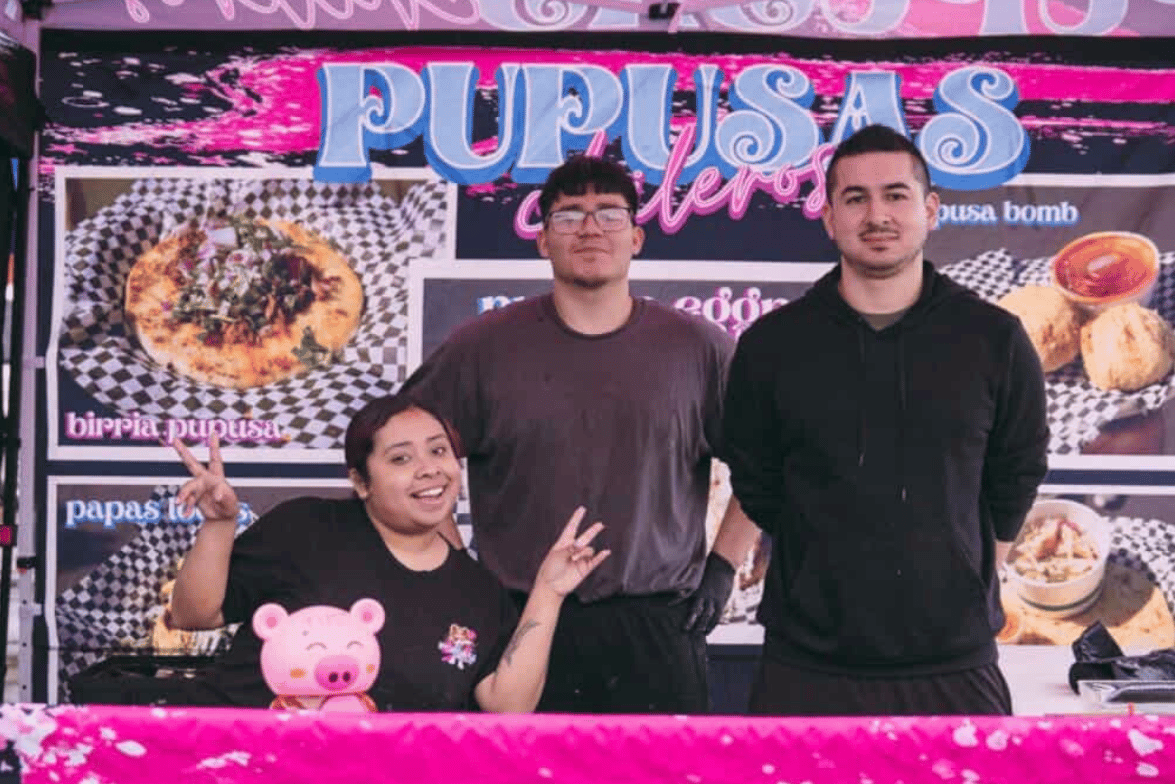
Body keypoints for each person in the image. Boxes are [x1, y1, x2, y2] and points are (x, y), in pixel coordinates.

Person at [403, 155, 760, 714]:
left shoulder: (698, 348)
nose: (590, 229)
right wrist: (455, 571)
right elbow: (397, 455)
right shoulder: (481, 348)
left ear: (636, 238)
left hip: (656, 627)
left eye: (609, 214)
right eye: (569, 216)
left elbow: (766, 461)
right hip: (521, 620)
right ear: (543, 240)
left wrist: (722, 567)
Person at [721, 124, 1049, 716]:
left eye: (896, 195)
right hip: (806, 669)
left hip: (953, 667)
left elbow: (1017, 474)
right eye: (856, 198)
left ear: (931, 210)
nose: (877, 215)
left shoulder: (993, 339)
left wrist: (960, 570)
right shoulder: (772, 346)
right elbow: (758, 485)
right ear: (829, 218)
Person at [165, 394, 610, 712]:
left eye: (439, 451)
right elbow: (193, 614)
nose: (429, 469)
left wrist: (548, 593)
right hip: (240, 760)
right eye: (401, 459)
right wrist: (219, 524)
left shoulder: (476, 591)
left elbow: (507, 706)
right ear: (361, 482)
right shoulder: (305, 528)